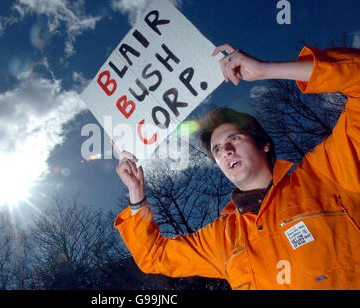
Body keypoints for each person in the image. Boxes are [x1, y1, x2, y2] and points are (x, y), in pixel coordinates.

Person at [112, 43, 360, 289]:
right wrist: (136, 193)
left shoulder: (326, 174)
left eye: (234, 139)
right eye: (217, 149)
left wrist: (267, 69)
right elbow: (154, 256)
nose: (226, 151)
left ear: (263, 144)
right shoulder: (222, 238)